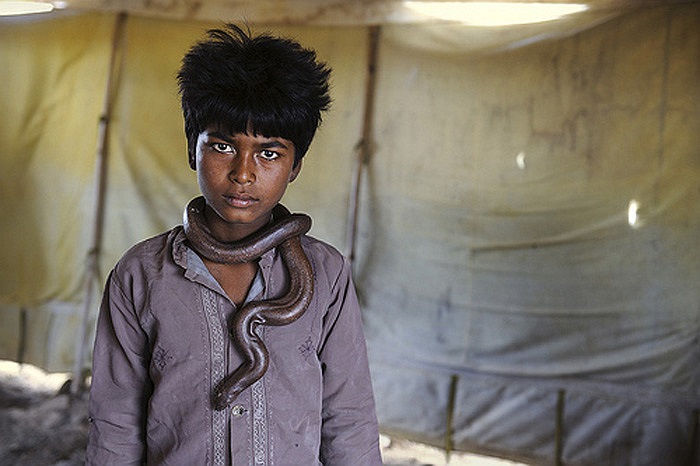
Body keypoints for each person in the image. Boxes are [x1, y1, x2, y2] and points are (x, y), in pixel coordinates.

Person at [86, 23, 382, 465]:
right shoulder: (140, 275)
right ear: (193, 150)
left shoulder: (326, 274)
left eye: (269, 153)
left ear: (296, 164)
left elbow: (349, 420)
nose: (243, 174)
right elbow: (115, 427)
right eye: (223, 145)